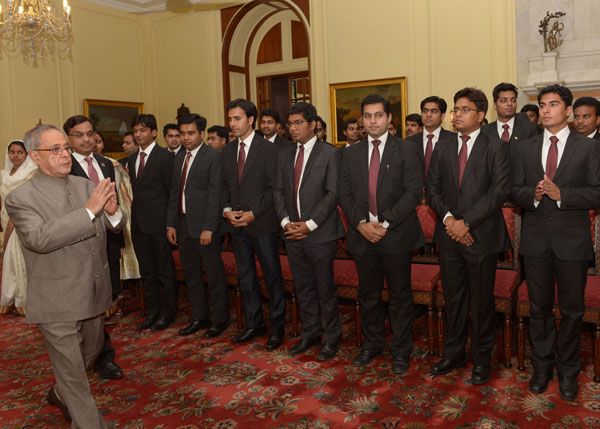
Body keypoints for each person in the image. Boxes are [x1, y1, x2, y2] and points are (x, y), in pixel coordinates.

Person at [5, 124, 126, 427]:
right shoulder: (21, 198)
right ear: (35, 156)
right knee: (74, 375)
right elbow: (40, 238)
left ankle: (60, 393)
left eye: (66, 148)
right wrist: (88, 213)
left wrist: (111, 212)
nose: (64, 154)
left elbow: (112, 225)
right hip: (56, 299)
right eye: (55, 149)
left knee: (92, 352)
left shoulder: (85, 185)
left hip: (94, 290)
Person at [511, 84, 600, 401]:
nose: (546, 109)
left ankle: (568, 372)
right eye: (542, 104)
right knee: (539, 310)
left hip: (572, 243)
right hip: (535, 243)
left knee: (573, 312)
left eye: (553, 104)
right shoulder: (524, 148)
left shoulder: (588, 148)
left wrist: (564, 196)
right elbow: (514, 189)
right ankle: (542, 368)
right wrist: (531, 196)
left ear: (567, 110)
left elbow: (597, 191)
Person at [427, 87, 510, 385]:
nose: (456, 115)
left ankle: (482, 358)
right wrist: (451, 221)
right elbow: (432, 188)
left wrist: (467, 223)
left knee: (482, 301)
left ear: (480, 114)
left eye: (463, 110)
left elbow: (499, 191)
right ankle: (454, 353)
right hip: (449, 234)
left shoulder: (495, 146)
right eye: (455, 110)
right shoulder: (444, 146)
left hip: (481, 236)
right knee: (454, 298)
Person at [339, 94, 424, 372]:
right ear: (362, 121)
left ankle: (401, 351)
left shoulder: (408, 149)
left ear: (389, 119)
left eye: (378, 115)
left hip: (395, 235)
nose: (372, 120)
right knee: (369, 295)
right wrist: (361, 224)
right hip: (362, 235)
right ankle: (372, 344)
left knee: (399, 296)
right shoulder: (349, 153)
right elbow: (344, 193)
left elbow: (413, 193)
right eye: (367, 116)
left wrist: (385, 224)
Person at [274, 102, 344, 360]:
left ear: (313, 124)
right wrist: (285, 222)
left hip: (320, 233)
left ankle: (332, 337)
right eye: (290, 123)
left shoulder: (330, 153)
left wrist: (310, 224)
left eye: (298, 123)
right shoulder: (284, 154)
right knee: (302, 288)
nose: (293, 128)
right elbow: (278, 190)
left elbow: (333, 193)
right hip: (291, 232)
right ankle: (311, 333)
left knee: (324, 288)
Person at [63, 115, 125, 381]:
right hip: (78, 244)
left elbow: (113, 203)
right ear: (68, 138)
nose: (86, 139)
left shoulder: (104, 163)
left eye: (90, 133)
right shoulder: (63, 168)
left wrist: (115, 221)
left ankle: (100, 352)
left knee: (101, 303)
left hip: (106, 242)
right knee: (82, 306)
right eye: (79, 134)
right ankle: (95, 357)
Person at [222, 98, 286, 350]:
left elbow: (274, 189)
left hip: (263, 224)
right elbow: (225, 186)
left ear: (251, 120)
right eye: (229, 119)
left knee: (272, 276)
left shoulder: (270, 149)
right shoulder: (227, 151)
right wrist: (227, 211)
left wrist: (253, 212)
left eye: (237, 118)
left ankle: (277, 327)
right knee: (246, 277)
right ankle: (254, 323)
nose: (232, 123)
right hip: (236, 225)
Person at [166, 114, 230, 337]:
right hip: (183, 225)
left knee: (214, 275)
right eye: (182, 133)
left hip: (205, 226)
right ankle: (199, 317)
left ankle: (220, 319)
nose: (185, 137)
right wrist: (171, 224)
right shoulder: (178, 157)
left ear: (201, 134)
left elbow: (216, 195)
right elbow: (175, 192)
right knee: (191, 275)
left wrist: (209, 227)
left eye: (190, 133)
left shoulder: (212, 156)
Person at [127, 114, 178, 332]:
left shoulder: (165, 158)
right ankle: (153, 312)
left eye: (143, 130)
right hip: (138, 224)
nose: (139, 134)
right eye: (136, 131)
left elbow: (172, 193)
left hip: (159, 225)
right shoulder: (130, 159)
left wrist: (170, 224)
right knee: (147, 272)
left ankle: (168, 313)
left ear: (154, 133)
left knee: (165, 272)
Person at [0, 140, 38, 315]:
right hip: (5, 217)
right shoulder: (4, 174)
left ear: (27, 154)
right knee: (9, 260)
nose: (15, 156)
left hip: (21, 220)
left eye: (19, 152)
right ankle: (12, 298)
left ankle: (25, 298)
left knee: (20, 258)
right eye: (12, 152)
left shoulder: (31, 173)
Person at [407, 96, 456, 178]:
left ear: (442, 116)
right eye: (425, 111)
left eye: (433, 111)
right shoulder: (409, 142)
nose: (428, 115)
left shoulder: (453, 140)